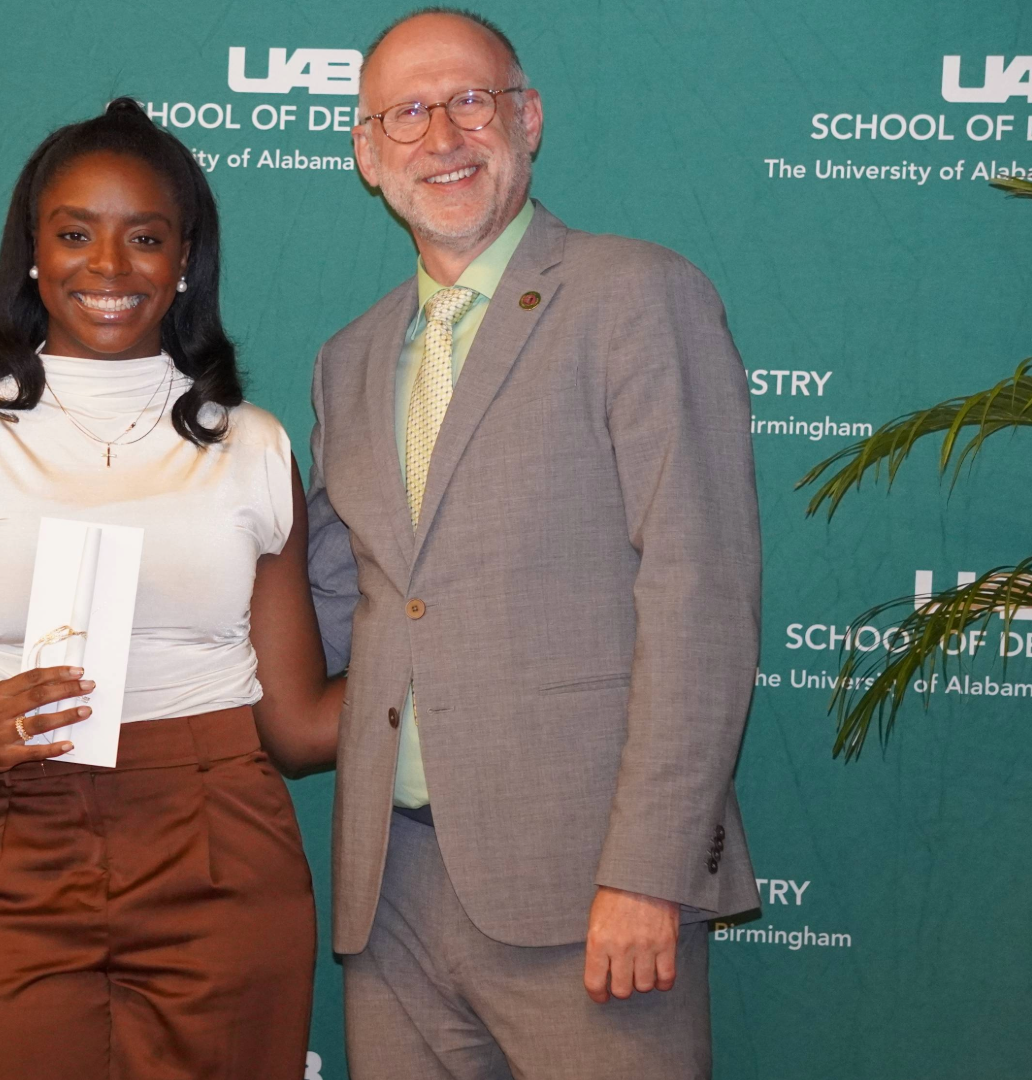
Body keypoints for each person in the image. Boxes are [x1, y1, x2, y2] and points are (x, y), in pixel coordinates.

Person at [308, 9, 762, 1078]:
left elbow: (700, 593)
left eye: (472, 101)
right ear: (368, 155)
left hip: (590, 895)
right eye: (405, 115)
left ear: (529, 118)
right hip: (394, 900)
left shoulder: (638, 296)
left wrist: (649, 872)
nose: (443, 137)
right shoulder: (350, 359)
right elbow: (344, 607)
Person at [0, 98, 343, 1080]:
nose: (108, 266)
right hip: (17, 835)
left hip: (219, 840)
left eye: (145, 238)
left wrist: (458, 638)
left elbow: (299, 728)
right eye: (75, 233)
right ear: (33, 253)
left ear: (185, 261)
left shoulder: (252, 447)